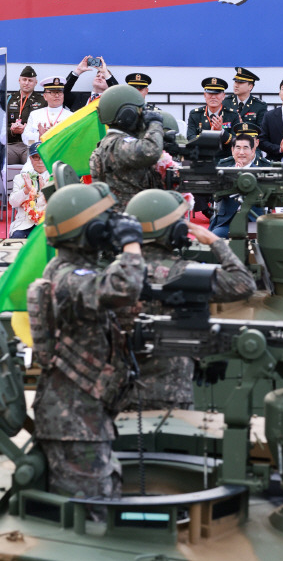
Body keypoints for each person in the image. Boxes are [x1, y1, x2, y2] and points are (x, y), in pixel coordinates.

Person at [29, 182, 145, 509]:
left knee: (101, 503)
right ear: (87, 231)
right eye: (103, 223)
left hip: (83, 416)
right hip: (73, 424)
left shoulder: (76, 271)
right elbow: (124, 286)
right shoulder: (68, 277)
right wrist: (131, 243)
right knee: (88, 519)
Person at [124, 189, 257, 410]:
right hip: (172, 393)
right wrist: (216, 242)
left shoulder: (116, 274)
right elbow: (244, 283)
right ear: (174, 231)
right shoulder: (185, 273)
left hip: (122, 391)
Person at [90, 84, 164, 210]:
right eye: (140, 112)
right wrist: (155, 125)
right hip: (128, 217)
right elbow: (151, 151)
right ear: (127, 115)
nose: (142, 117)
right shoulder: (116, 144)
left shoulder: (111, 143)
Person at [186, 77, 237, 218]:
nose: (213, 97)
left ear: (223, 96)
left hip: (225, 158)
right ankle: (205, 209)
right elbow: (190, 138)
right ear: (204, 95)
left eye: (217, 93)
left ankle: (225, 208)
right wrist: (209, 135)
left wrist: (221, 131)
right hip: (204, 158)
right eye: (210, 93)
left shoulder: (232, 115)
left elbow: (236, 141)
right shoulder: (195, 114)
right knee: (190, 171)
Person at [209, 133, 272, 238]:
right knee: (214, 239)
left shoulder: (261, 172)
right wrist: (233, 176)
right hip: (227, 222)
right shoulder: (223, 171)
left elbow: (268, 198)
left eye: (245, 148)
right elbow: (215, 196)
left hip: (254, 220)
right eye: (238, 148)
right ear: (232, 150)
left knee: (264, 242)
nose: (241, 152)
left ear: (252, 151)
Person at [9, 142, 49, 238]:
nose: (40, 161)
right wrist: (25, 190)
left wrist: (45, 192)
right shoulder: (20, 178)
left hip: (46, 223)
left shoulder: (54, 177)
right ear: (30, 159)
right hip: (24, 224)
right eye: (36, 157)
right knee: (16, 238)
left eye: (42, 156)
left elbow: (58, 205)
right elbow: (13, 203)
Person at [6, 66, 46, 164]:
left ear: (35, 83)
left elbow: (44, 127)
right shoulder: (9, 99)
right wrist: (12, 130)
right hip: (11, 145)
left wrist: (26, 131)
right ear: (19, 80)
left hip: (31, 145)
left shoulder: (43, 100)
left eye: (30, 80)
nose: (27, 83)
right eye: (24, 79)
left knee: (36, 162)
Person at [22, 77, 72, 147]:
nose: (57, 95)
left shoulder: (71, 116)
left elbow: (74, 140)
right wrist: (40, 136)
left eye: (60, 92)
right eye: (52, 92)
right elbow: (25, 140)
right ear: (45, 96)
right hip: (38, 155)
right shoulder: (35, 114)